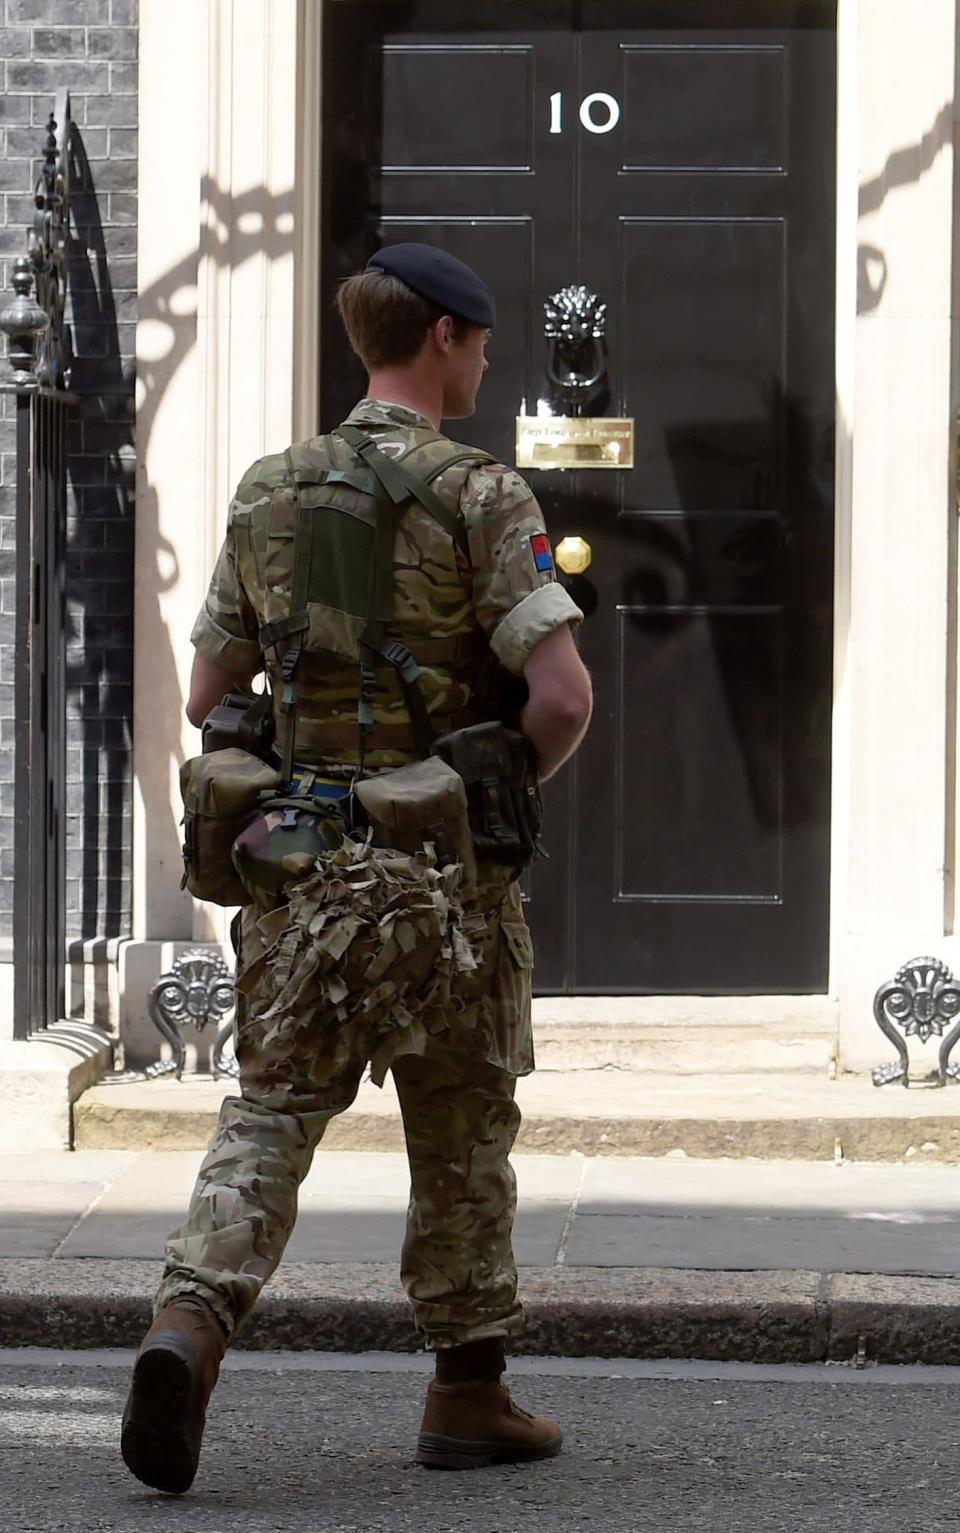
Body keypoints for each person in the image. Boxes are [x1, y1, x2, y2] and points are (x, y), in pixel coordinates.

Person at [120, 242, 593, 1494]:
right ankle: (466, 1396)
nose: (487, 360)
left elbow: (215, 685)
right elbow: (561, 697)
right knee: (461, 1129)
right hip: (448, 895)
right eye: (481, 340)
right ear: (442, 336)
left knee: (270, 1115)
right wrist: (477, 800)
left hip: (302, 879)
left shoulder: (271, 488)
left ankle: (188, 1327)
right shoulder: (484, 495)